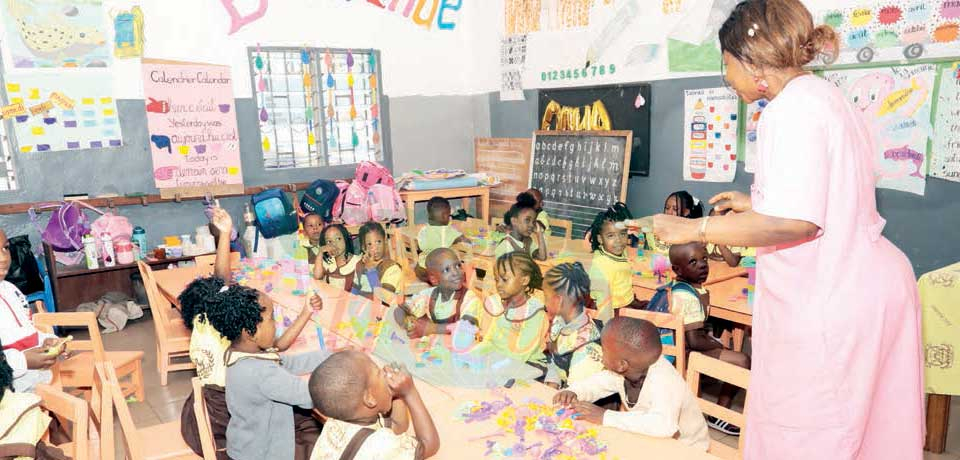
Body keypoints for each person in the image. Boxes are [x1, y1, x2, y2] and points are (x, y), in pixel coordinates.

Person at [654, 1, 924, 457]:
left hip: (831, 298)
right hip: (868, 282)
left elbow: (796, 221)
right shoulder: (824, 96)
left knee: (809, 432)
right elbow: (832, 194)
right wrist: (755, 203)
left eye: (726, 63)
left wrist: (695, 229)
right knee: (863, 431)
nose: (727, 76)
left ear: (752, 60)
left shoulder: (789, 111)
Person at [178, 209, 325, 459]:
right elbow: (299, 387)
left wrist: (306, 314)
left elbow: (277, 352)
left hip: (213, 410)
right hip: (224, 420)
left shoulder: (220, 330)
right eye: (270, 318)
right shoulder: (241, 345)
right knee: (310, 425)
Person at [205, 281, 328, 460]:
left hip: (245, 446)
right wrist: (343, 374)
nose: (275, 325)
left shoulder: (239, 353)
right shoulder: (261, 372)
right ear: (250, 333)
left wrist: (330, 356)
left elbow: (288, 363)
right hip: (265, 454)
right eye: (271, 319)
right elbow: (309, 397)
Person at [552, 317, 709, 451]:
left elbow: (663, 425)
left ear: (622, 365)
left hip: (688, 450)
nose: (601, 352)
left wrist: (605, 416)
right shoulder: (628, 371)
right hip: (650, 440)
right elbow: (599, 382)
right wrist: (575, 391)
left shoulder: (665, 380)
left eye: (604, 350)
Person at [667, 242, 749, 436]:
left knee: (730, 353)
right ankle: (720, 415)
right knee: (742, 360)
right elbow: (694, 341)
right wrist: (717, 344)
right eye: (693, 262)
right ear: (677, 269)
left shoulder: (690, 287)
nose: (703, 265)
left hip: (687, 345)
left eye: (704, 259)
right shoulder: (685, 295)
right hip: (685, 353)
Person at [308, 351, 440, 460]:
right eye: (378, 372)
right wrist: (409, 393)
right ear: (369, 399)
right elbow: (430, 445)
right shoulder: (381, 445)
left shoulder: (337, 421)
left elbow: (398, 427)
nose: (384, 372)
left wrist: (396, 394)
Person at [0, 229, 65, 394]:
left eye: (5, 248)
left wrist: (46, 340)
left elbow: (26, 330)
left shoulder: (11, 290)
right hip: (9, 395)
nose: (3, 258)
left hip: (36, 382)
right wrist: (23, 361)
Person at [474, 252, 550, 370]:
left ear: (524, 280)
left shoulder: (535, 313)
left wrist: (493, 366)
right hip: (496, 359)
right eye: (497, 280)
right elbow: (486, 338)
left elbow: (522, 353)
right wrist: (474, 355)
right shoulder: (496, 304)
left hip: (528, 364)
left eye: (505, 280)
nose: (499, 285)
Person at [395, 248, 481, 339]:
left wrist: (432, 329)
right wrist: (408, 324)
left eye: (458, 265)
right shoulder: (428, 295)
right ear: (434, 279)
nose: (456, 273)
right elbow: (399, 310)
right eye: (447, 270)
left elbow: (468, 327)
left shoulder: (470, 299)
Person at [542, 262, 604, 390]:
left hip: (579, 394)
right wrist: (552, 381)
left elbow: (576, 394)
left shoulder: (586, 349)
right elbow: (555, 359)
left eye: (546, 297)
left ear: (558, 301)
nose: (544, 302)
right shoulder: (560, 321)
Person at [587, 203, 642, 322]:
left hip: (626, 300)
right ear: (600, 239)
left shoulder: (617, 251)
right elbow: (602, 304)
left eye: (622, 234)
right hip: (612, 311)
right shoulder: (601, 266)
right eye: (611, 236)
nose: (618, 241)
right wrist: (609, 326)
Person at [415, 197, 468, 283]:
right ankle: (438, 281)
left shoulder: (423, 229)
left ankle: (429, 278)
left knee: (420, 264)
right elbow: (460, 238)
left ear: (429, 215)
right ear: (445, 216)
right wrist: (466, 239)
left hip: (422, 266)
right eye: (449, 215)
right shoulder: (447, 231)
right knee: (458, 271)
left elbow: (419, 246)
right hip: (437, 269)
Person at [353, 222, 403, 299]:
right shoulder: (360, 265)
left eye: (378, 242)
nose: (375, 248)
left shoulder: (392, 268)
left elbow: (384, 298)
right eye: (369, 244)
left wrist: (371, 270)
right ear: (363, 247)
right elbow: (353, 291)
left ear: (385, 241)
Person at [494, 193, 547, 261]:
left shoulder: (527, 241)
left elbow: (542, 257)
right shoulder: (506, 245)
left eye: (533, 222)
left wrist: (539, 233)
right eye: (527, 220)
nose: (531, 225)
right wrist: (513, 244)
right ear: (514, 221)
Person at [313, 223, 361, 292]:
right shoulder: (328, 261)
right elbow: (317, 276)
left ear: (345, 238)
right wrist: (320, 252)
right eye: (329, 241)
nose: (334, 244)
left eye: (338, 239)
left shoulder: (357, 261)